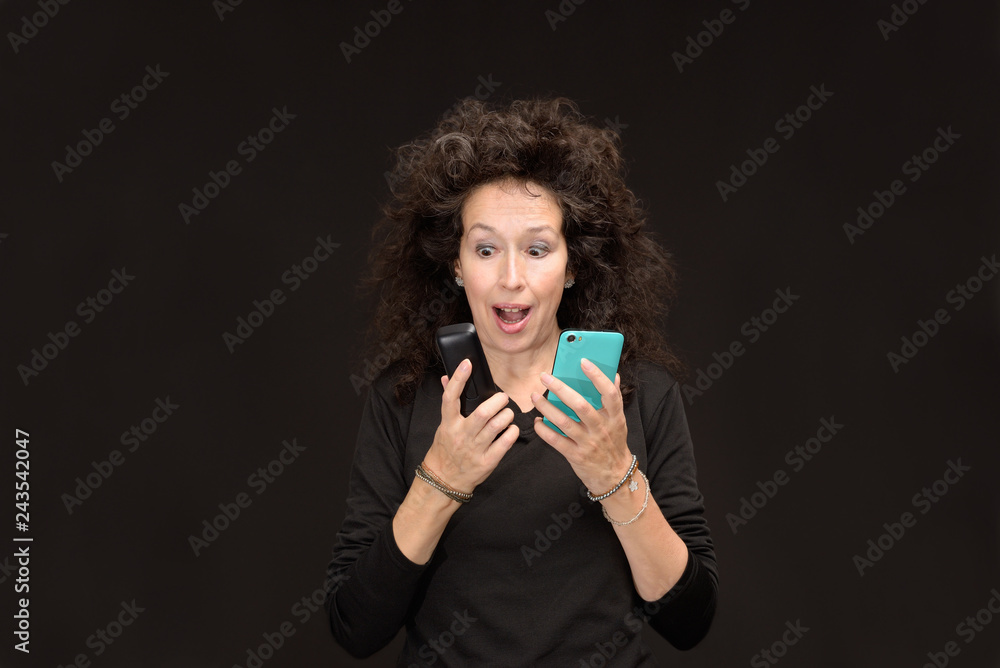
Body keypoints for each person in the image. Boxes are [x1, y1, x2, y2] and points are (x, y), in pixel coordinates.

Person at [326, 97, 718, 666]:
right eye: (486, 249)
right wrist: (440, 482)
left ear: (573, 263)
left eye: (537, 249)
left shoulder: (637, 395)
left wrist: (616, 477)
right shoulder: (404, 398)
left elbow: (689, 622)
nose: (511, 278)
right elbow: (354, 627)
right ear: (457, 264)